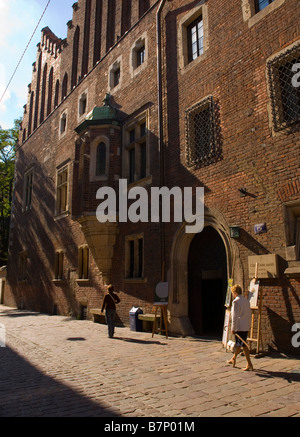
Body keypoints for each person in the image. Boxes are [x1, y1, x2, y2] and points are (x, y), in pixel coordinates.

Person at [227, 284, 253, 371]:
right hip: (245, 326)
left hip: (239, 327)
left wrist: (233, 328)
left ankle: (249, 363)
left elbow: (235, 316)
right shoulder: (246, 301)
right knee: (239, 344)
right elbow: (249, 314)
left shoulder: (236, 302)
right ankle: (233, 358)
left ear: (235, 292)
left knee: (243, 345)